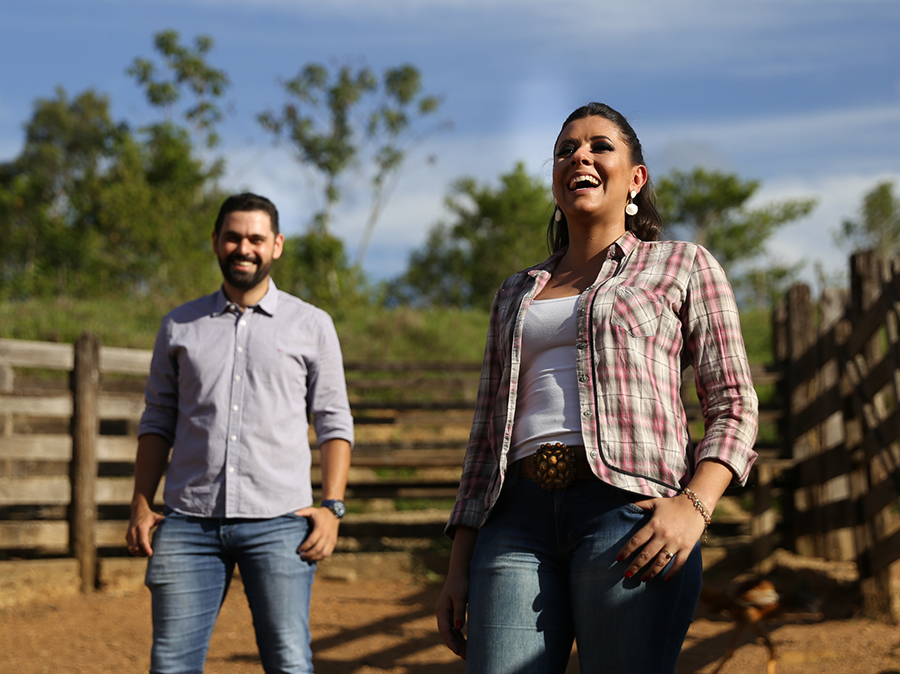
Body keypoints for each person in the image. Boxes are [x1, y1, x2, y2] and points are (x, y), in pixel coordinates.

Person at [435, 102, 759, 674]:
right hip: (514, 519)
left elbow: (733, 402)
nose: (579, 156)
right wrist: (460, 561)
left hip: (628, 514)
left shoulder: (681, 266)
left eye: (599, 146)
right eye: (565, 149)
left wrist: (694, 507)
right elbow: (486, 435)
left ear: (636, 178)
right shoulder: (515, 292)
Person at [126, 192, 354, 674]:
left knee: (289, 662)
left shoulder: (312, 325)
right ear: (216, 242)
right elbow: (157, 420)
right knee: (171, 664)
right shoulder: (178, 326)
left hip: (279, 520)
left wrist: (332, 507)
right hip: (188, 521)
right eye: (233, 237)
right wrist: (141, 503)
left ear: (276, 246)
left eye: (255, 238)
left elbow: (333, 420)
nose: (243, 247)